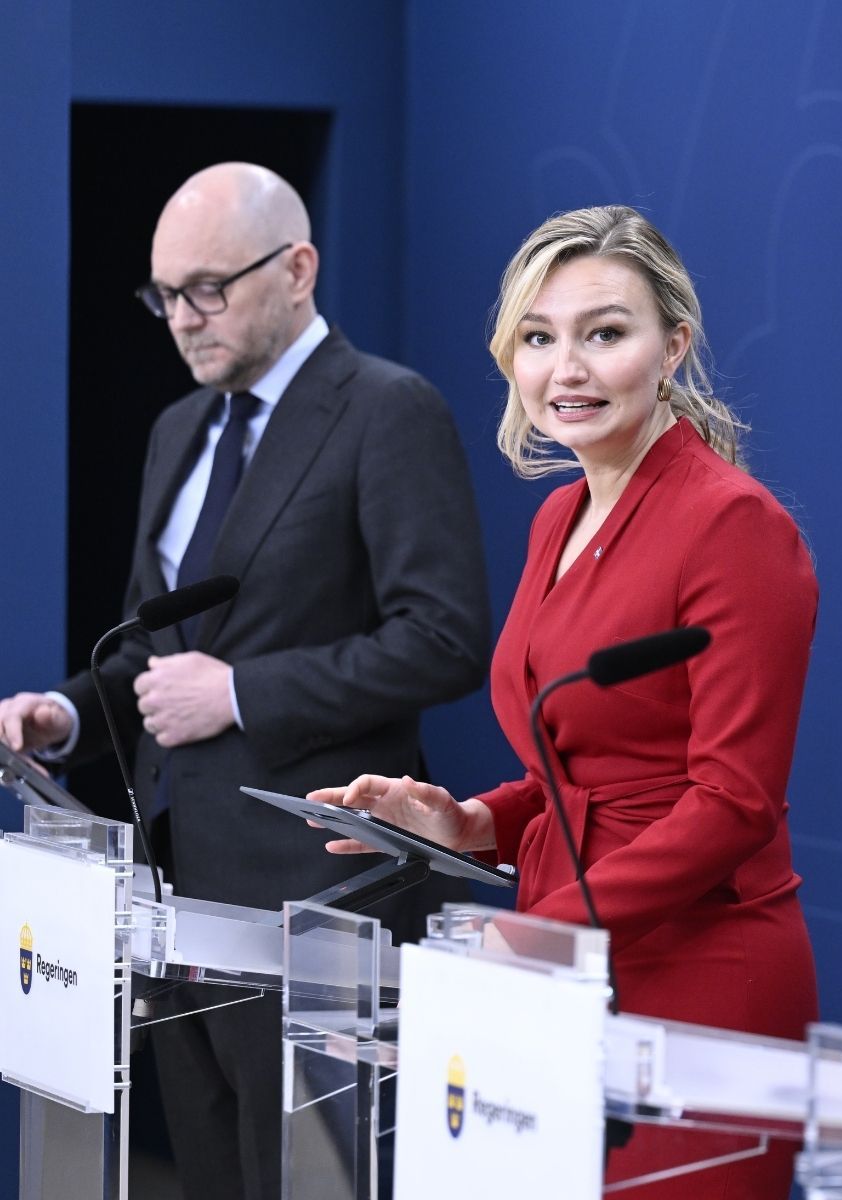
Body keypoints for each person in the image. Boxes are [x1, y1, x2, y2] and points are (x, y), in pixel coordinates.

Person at [0, 163, 490, 1200]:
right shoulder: (178, 430)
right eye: (165, 295)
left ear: (299, 268)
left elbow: (444, 639)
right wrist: (63, 717)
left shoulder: (388, 410)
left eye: (209, 288)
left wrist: (243, 694)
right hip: (174, 899)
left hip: (320, 903)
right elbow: (151, 656)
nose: (183, 318)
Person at [311, 206, 819, 1199]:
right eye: (539, 339)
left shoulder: (735, 526)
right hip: (558, 964)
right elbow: (577, 766)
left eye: (605, 333)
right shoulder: (560, 513)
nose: (567, 368)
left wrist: (536, 936)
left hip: (700, 976)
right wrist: (470, 822)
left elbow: (732, 801)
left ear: (672, 346)